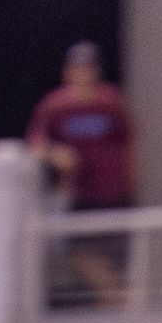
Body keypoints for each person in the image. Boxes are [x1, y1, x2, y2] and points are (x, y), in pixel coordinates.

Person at [26, 42, 136, 305]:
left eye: (88, 70)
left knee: (115, 255)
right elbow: (36, 143)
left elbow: (131, 141)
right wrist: (54, 153)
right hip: (79, 192)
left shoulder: (111, 102)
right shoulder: (56, 106)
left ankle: (115, 300)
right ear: (68, 73)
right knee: (71, 249)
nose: (83, 76)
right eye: (78, 70)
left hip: (113, 192)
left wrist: (133, 182)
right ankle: (118, 297)